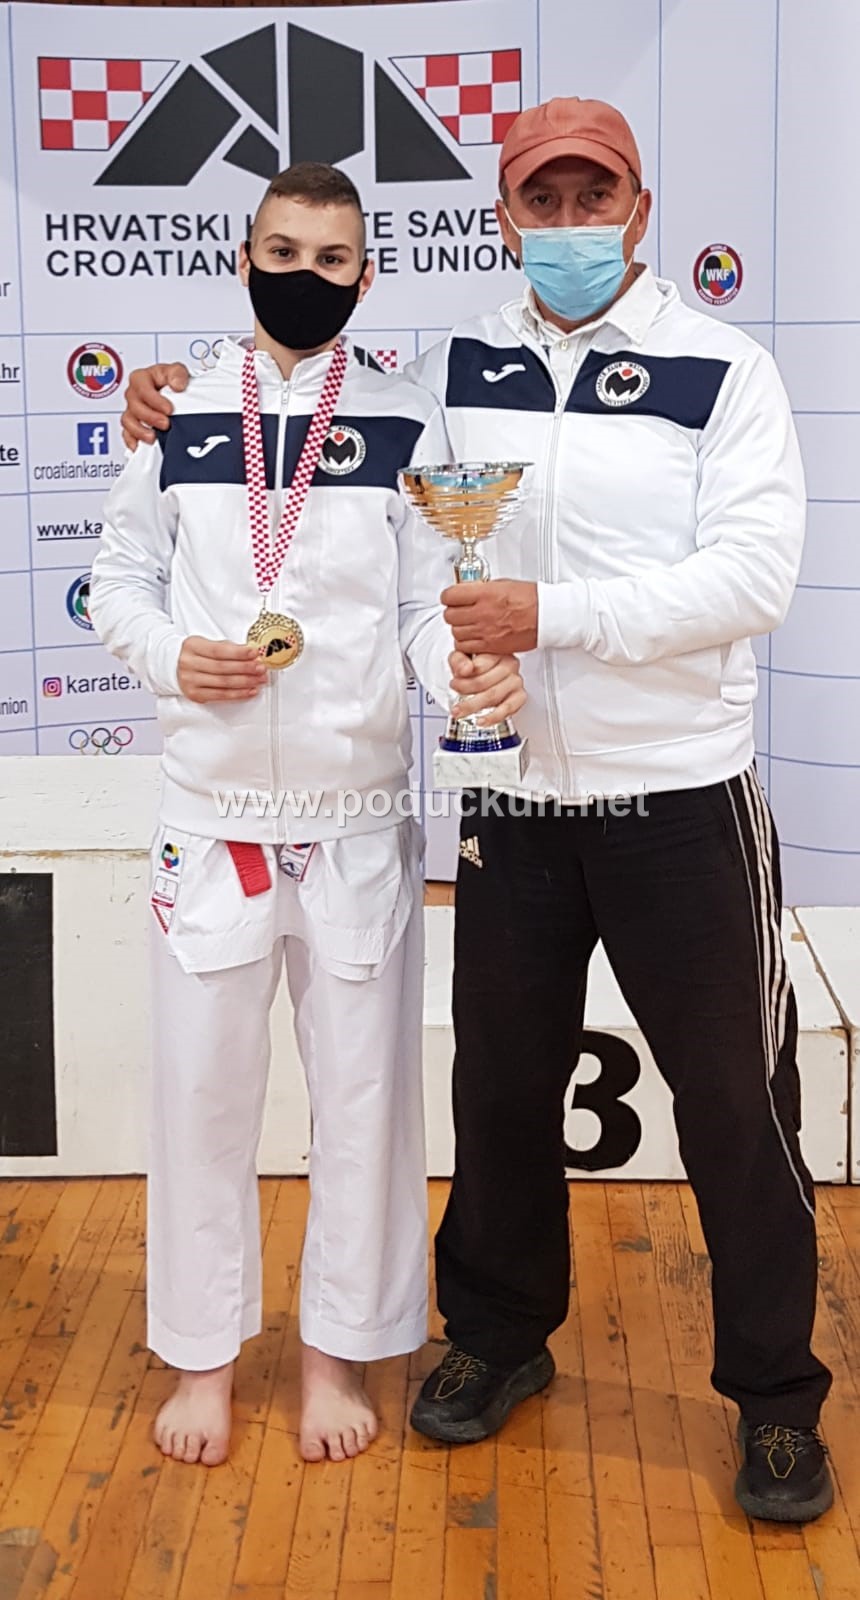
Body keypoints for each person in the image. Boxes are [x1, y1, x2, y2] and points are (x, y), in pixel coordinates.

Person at [120, 102, 834, 1524]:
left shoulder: (725, 367)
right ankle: (500, 1338)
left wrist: (548, 616)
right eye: (540, 200)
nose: (568, 222)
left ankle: (775, 1399)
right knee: (499, 1096)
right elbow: (334, 447)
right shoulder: (451, 372)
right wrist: (168, 399)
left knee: (734, 1107)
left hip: (678, 797)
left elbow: (755, 579)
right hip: (509, 799)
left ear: (638, 210)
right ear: (504, 217)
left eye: (593, 197)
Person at [92, 160, 524, 1470]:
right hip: (212, 813)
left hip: (354, 819)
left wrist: (457, 668)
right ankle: (203, 1363)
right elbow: (121, 578)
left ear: (366, 276)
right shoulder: (179, 411)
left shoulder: (400, 418)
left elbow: (418, 602)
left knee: (366, 1103)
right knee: (201, 1101)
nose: (304, 274)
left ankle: (339, 1353)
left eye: (331, 259)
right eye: (282, 251)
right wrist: (172, 656)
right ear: (245, 256)